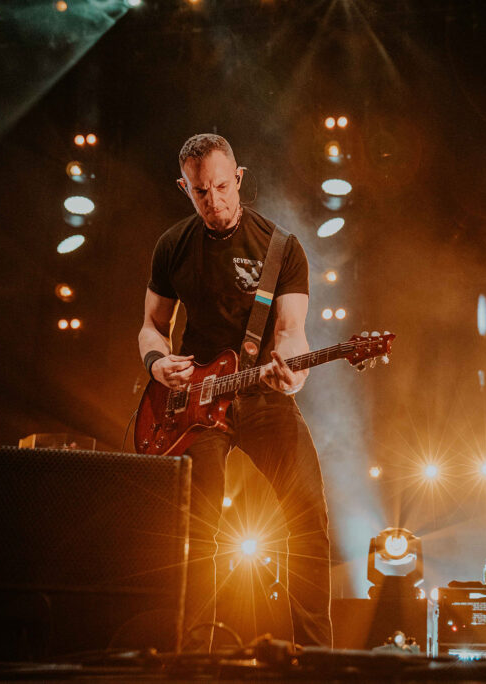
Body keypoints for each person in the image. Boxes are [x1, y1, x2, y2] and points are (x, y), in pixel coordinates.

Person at [138, 133, 332, 649]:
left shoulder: (281, 248)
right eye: (201, 192)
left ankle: (317, 662)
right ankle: (191, 658)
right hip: (194, 405)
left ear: (239, 178)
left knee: (308, 518)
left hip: (263, 395)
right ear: (185, 187)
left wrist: (293, 373)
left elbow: (292, 334)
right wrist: (157, 365)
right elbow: (151, 326)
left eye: (223, 187)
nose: (214, 201)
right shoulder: (172, 245)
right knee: (195, 533)